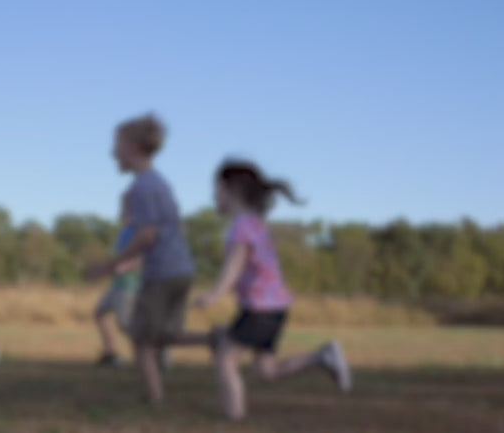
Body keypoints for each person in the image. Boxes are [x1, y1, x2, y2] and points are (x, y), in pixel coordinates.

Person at [195, 159, 352, 420]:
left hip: (260, 309)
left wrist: (215, 294)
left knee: (225, 357)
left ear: (231, 190)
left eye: (216, 190)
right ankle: (323, 357)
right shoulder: (255, 222)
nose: (213, 197)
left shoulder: (242, 226)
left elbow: (234, 266)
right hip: (275, 308)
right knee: (267, 371)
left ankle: (234, 416)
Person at [87, 114, 195, 404]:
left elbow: (147, 236)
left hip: (162, 274)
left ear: (133, 147)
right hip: (182, 269)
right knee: (163, 335)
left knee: (142, 340)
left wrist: (107, 266)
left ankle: (154, 398)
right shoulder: (160, 183)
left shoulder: (142, 188)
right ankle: (216, 341)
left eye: (117, 146)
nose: (113, 154)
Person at [94, 193, 140, 367]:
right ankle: (111, 354)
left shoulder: (137, 231)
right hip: (117, 284)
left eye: (124, 209)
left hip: (130, 284)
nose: (120, 212)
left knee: (126, 325)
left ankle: (148, 356)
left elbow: (142, 256)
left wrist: (124, 267)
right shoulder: (124, 232)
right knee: (100, 313)